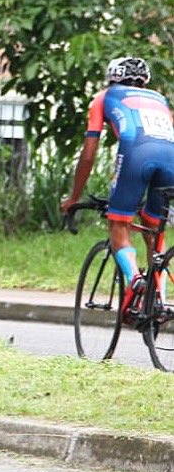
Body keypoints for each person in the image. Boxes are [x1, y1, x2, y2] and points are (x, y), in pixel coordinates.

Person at [61, 56, 174, 318]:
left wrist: (74, 197)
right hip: (171, 158)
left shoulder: (103, 97)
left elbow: (88, 154)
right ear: (145, 81)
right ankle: (160, 301)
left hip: (137, 153)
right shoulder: (160, 101)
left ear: (111, 78)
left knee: (118, 224)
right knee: (153, 226)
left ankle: (135, 279)